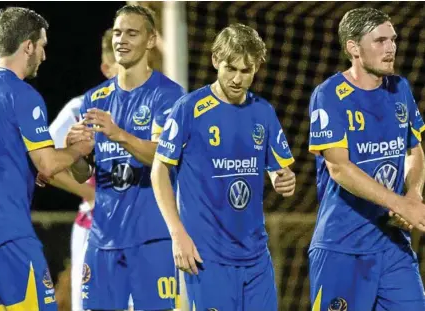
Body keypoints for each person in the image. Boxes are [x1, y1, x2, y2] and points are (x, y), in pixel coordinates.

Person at [151, 23, 297, 311]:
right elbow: (159, 170)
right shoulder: (189, 108)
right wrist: (177, 233)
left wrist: (285, 179)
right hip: (207, 257)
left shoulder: (263, 111)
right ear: (216, 61)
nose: (237, 79)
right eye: (231, 68)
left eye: (246, 71)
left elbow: (280, 170)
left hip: (256, 257)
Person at [0, 7, 93, 311]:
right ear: (28, 46)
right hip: (8, 237)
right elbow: (47, 163)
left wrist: (23, 170)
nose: (44, 56)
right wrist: (76, 151)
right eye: (43, 46)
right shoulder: (22, 95)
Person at [67, 5, 185, 311]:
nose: (122, 40)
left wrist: (119, 134)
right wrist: (76, 152)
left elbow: (165, 156)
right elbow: (84, 173)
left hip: (151, 239)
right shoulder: (96, 97)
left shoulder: (168, 95)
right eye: (118, 33)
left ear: (150, 40)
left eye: (132, 33)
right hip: (102, 239)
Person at [308, 7, 425, 311]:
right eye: (380, 41)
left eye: (393, 40)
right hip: (342, 246)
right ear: (353, 48)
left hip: (392, 244)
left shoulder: (400, 89)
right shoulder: (329, 95)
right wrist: (399, 203)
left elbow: (414, 150)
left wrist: (413, 194)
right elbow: (338, 167)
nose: (391, 48)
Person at [46, 28, 118, 311]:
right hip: (95, 230)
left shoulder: (156, 107)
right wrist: (89, 193)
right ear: (106, 67)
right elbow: (44, 160)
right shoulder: (82, 109)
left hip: (144, 232)